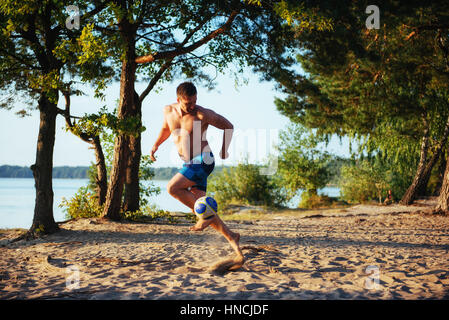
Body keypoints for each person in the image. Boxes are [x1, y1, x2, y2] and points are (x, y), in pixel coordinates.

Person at [149, 82, 243, 261]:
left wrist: (224, 149)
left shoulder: (202, 114)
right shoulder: (168, 111)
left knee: (172, 188)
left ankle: (206, 218)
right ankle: (231, 236)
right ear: (178, 100)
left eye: (194, 101)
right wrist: (156, 145)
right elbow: (165, 129)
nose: (192, 106)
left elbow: (228, 126)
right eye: (187, 103)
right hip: (190, 163)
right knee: (200, 208)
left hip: (203, 160)